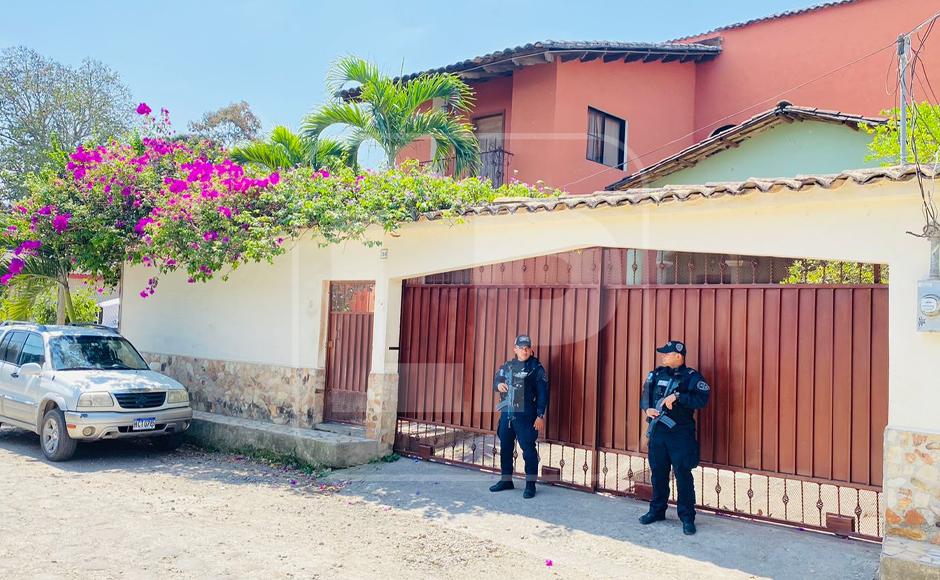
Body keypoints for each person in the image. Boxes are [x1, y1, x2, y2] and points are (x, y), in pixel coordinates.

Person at [638, 340, 710, 535]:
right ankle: (657, 511)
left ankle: (687, 517)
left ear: (678, 356)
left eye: (666, 354)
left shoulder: (691, 377)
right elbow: (645, 395)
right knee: (658, 474)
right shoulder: (656, 374)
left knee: (682, 475)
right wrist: (648, 409)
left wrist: (678, 397)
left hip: (680, 435)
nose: (663, 356)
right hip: (658, 433)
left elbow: (702, 399)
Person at [488, 334, 549, 499]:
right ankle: (506, 480)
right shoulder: (508, 366)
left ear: (531, 349)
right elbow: (496, 379)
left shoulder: (536, 368)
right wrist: (498, 384)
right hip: (507, 414)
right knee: (506, 447)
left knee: (528, 450)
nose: (524, 350)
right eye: (521, 347)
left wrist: (540, 415)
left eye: (527, 347)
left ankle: (530, 485)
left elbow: (543, 394)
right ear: (515, 349)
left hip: (526, 416)